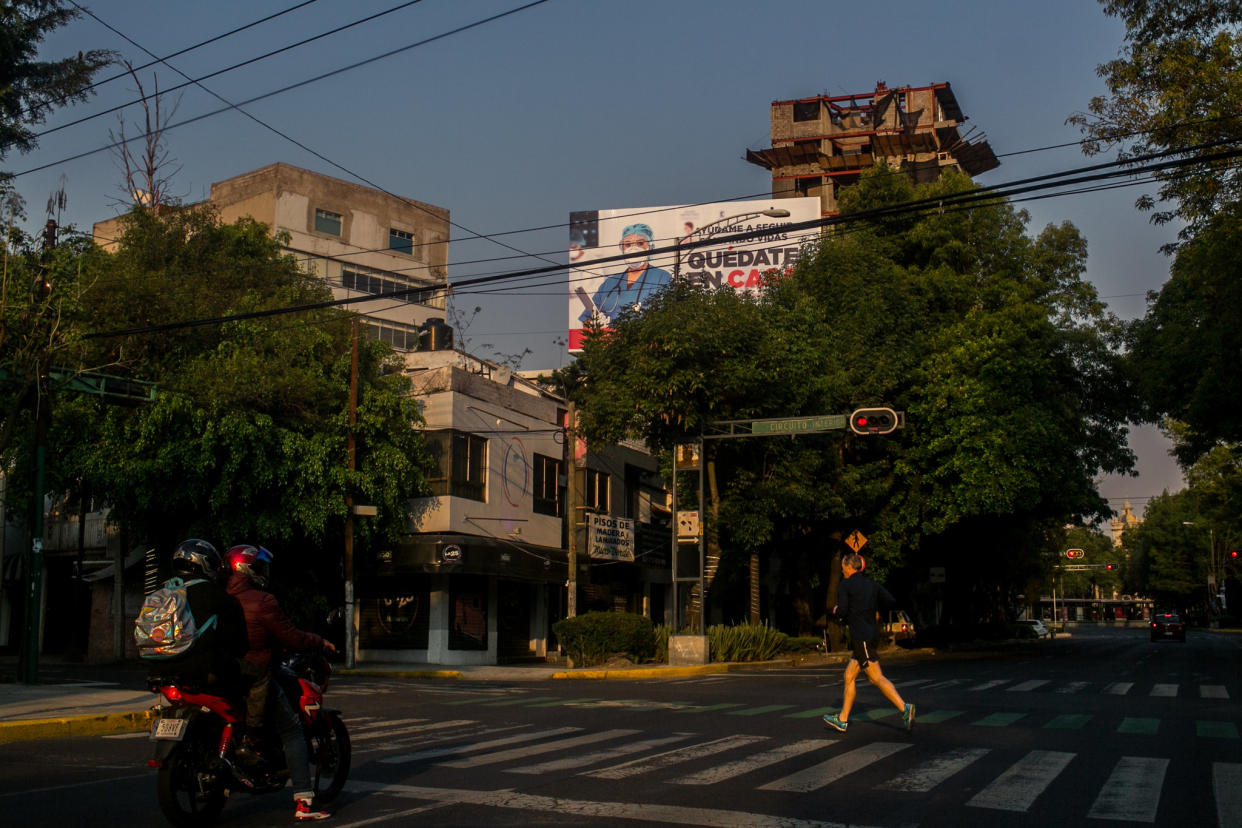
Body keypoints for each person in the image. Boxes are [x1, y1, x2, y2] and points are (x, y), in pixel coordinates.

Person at [225, 544, 336, 822]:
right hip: (256, 672)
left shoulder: (220, 596)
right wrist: (319, 641)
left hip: (224, 673)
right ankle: (304, 802)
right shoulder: (262, 600)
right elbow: (291, 637)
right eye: (259, 566)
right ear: (246, 569)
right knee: (292, 729)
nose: (263, 572)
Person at [822, 552, 915, 734]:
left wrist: (835, 610)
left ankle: (904, 707)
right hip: (871, 633)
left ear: (849, 567)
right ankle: (842, 719)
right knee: (849, 676)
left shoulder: (846, 585)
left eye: (843, 567)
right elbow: (890, 601)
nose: (841, 570)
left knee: (875, 677)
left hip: (860, 636)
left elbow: (841, 612)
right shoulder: (872, 584)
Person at [148, 539, 247, 691]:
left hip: (158, 670)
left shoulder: (162, 591)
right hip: (202, 670)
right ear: (205, 563)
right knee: (254, 679)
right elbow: (238, 639)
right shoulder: (212, 593)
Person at [579, 223, 672, 326]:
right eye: (627, 244)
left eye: (640, 243)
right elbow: (587, 319)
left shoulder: (662, 278)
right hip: (607, 340)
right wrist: (594, 326)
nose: (633, 248)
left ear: (650, 247)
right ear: (622, 249)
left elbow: (667, 317)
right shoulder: (610, 283)